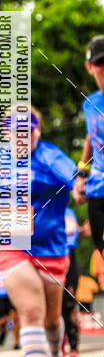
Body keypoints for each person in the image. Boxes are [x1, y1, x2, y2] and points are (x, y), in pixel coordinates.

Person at [0, 108, 75, 357]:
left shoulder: (51, 157)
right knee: (31, 310)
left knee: (52, 318)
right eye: (14, 130)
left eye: (28, 130)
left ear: (37, 131)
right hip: (11, 244)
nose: (21, 136)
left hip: (50, 246)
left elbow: (77, 179)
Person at [73, 36, 104, 253]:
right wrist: (81, 175)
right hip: (97, 192)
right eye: (99, 63)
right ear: (89, 67)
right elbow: (91, 137)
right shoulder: (90, 104)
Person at [62, 208, 81, 357]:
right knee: (54, 310)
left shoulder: (68, 211)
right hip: (46, 258)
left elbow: (71, 228)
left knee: (69, 306)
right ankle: (59, 347)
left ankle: (74, 349)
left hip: (68, 259)